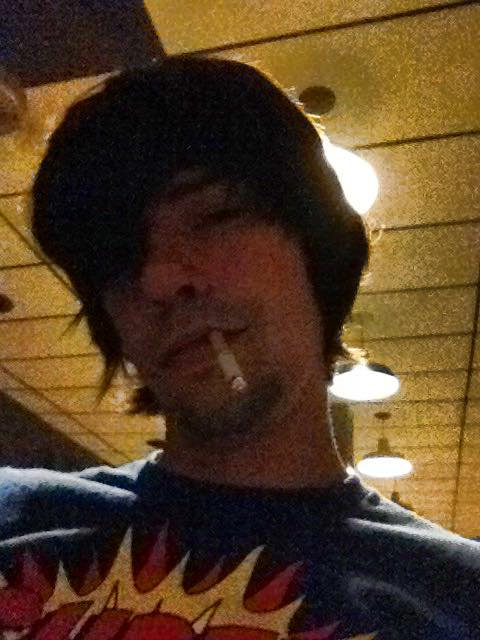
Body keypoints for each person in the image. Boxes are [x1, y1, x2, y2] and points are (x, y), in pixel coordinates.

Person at [0, 54, 479, 640]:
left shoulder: (457, 594)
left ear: (316, 247)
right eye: (118, 254)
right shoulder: (15, 517)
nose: (158, 279)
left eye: (214, 217)